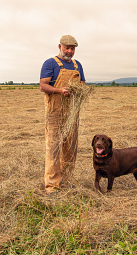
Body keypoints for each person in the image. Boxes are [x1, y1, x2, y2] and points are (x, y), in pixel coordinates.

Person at [40, 35, 86, 195]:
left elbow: (82, 85)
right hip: (55, 112)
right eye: (67, 48)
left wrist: (80, 91)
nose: (70, 51)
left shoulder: (77, 65)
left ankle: (66, 180)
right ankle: (52, 186)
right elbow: (43, 85)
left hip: (72, 113)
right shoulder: (50, 63)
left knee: (70, 148)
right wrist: (60, 90)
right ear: (60, 47)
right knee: (53, 147)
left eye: (72, 48)